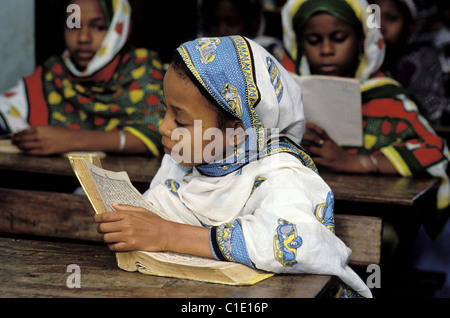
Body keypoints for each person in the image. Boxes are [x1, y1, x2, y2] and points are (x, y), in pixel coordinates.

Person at [94, 35, 372, 298]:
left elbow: (294, 242)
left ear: (237, 133)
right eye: (165, 110)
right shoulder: (181, 163)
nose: (163, 127)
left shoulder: (283, 174)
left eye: (180, 122)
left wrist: (166, 234)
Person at [282, 0, 450, 239]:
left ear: (362, 40)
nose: (327, 50)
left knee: (379, 239)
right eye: (313, 40)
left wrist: (356, 162)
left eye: (339, 38)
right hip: (300, 215)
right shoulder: (282, 96)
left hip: (377, 218)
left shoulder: (388, 98)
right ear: (297, 44)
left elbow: (435, 151)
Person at [0, 0, 165, 156]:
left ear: (119, 27)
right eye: (73, 25)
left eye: (99, 27)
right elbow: (7, 108)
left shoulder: (142, 69)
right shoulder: (54, 73)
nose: (83, 38)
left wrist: (70, 139)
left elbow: (159, 130)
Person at [369, 0, 449, 126]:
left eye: (391, 19)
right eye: (373, 18)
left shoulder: (421, 60)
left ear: (411, 26)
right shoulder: (366, 57)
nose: (380, 26)